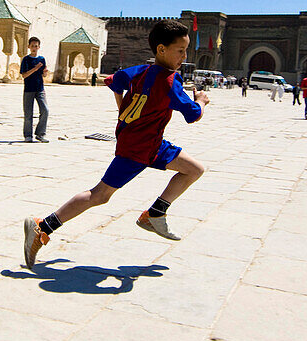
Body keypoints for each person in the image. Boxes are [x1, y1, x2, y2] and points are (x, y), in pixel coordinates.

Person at [22, 20, 209, 268]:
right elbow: (193, 115)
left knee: (194, 169)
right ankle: (42, 227)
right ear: (161, 49)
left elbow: (112, 81)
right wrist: (202, 100)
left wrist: (123, 109)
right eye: (180, 51)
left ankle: (155, 213)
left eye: (186, 51)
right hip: (138, 150)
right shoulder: (169, 81)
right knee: (99, 195)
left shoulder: (139, 70)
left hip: (149, 143)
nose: (184, 57)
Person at [20, 36, 49, 142]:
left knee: (45, 110)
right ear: (28, 47)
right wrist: (35, 68)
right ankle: (28, 135)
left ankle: (40, 134)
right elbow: (24, 75)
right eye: (32, 46)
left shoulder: (42, 59)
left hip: (40, 88)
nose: (34, 48)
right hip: (29, 89)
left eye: (36, 46)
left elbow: (43, 75)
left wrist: (45, 73)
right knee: (28, 113)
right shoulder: (26, 60)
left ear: (39, 47)